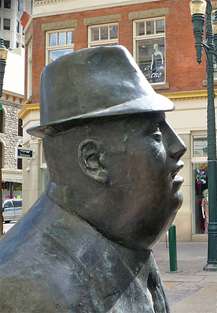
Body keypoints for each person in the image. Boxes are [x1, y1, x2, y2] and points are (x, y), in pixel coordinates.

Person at [0, 46, 186, 312]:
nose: (178, 146)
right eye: (155, 132)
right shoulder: (29, 290)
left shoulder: (122, 242)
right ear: (94, 160)